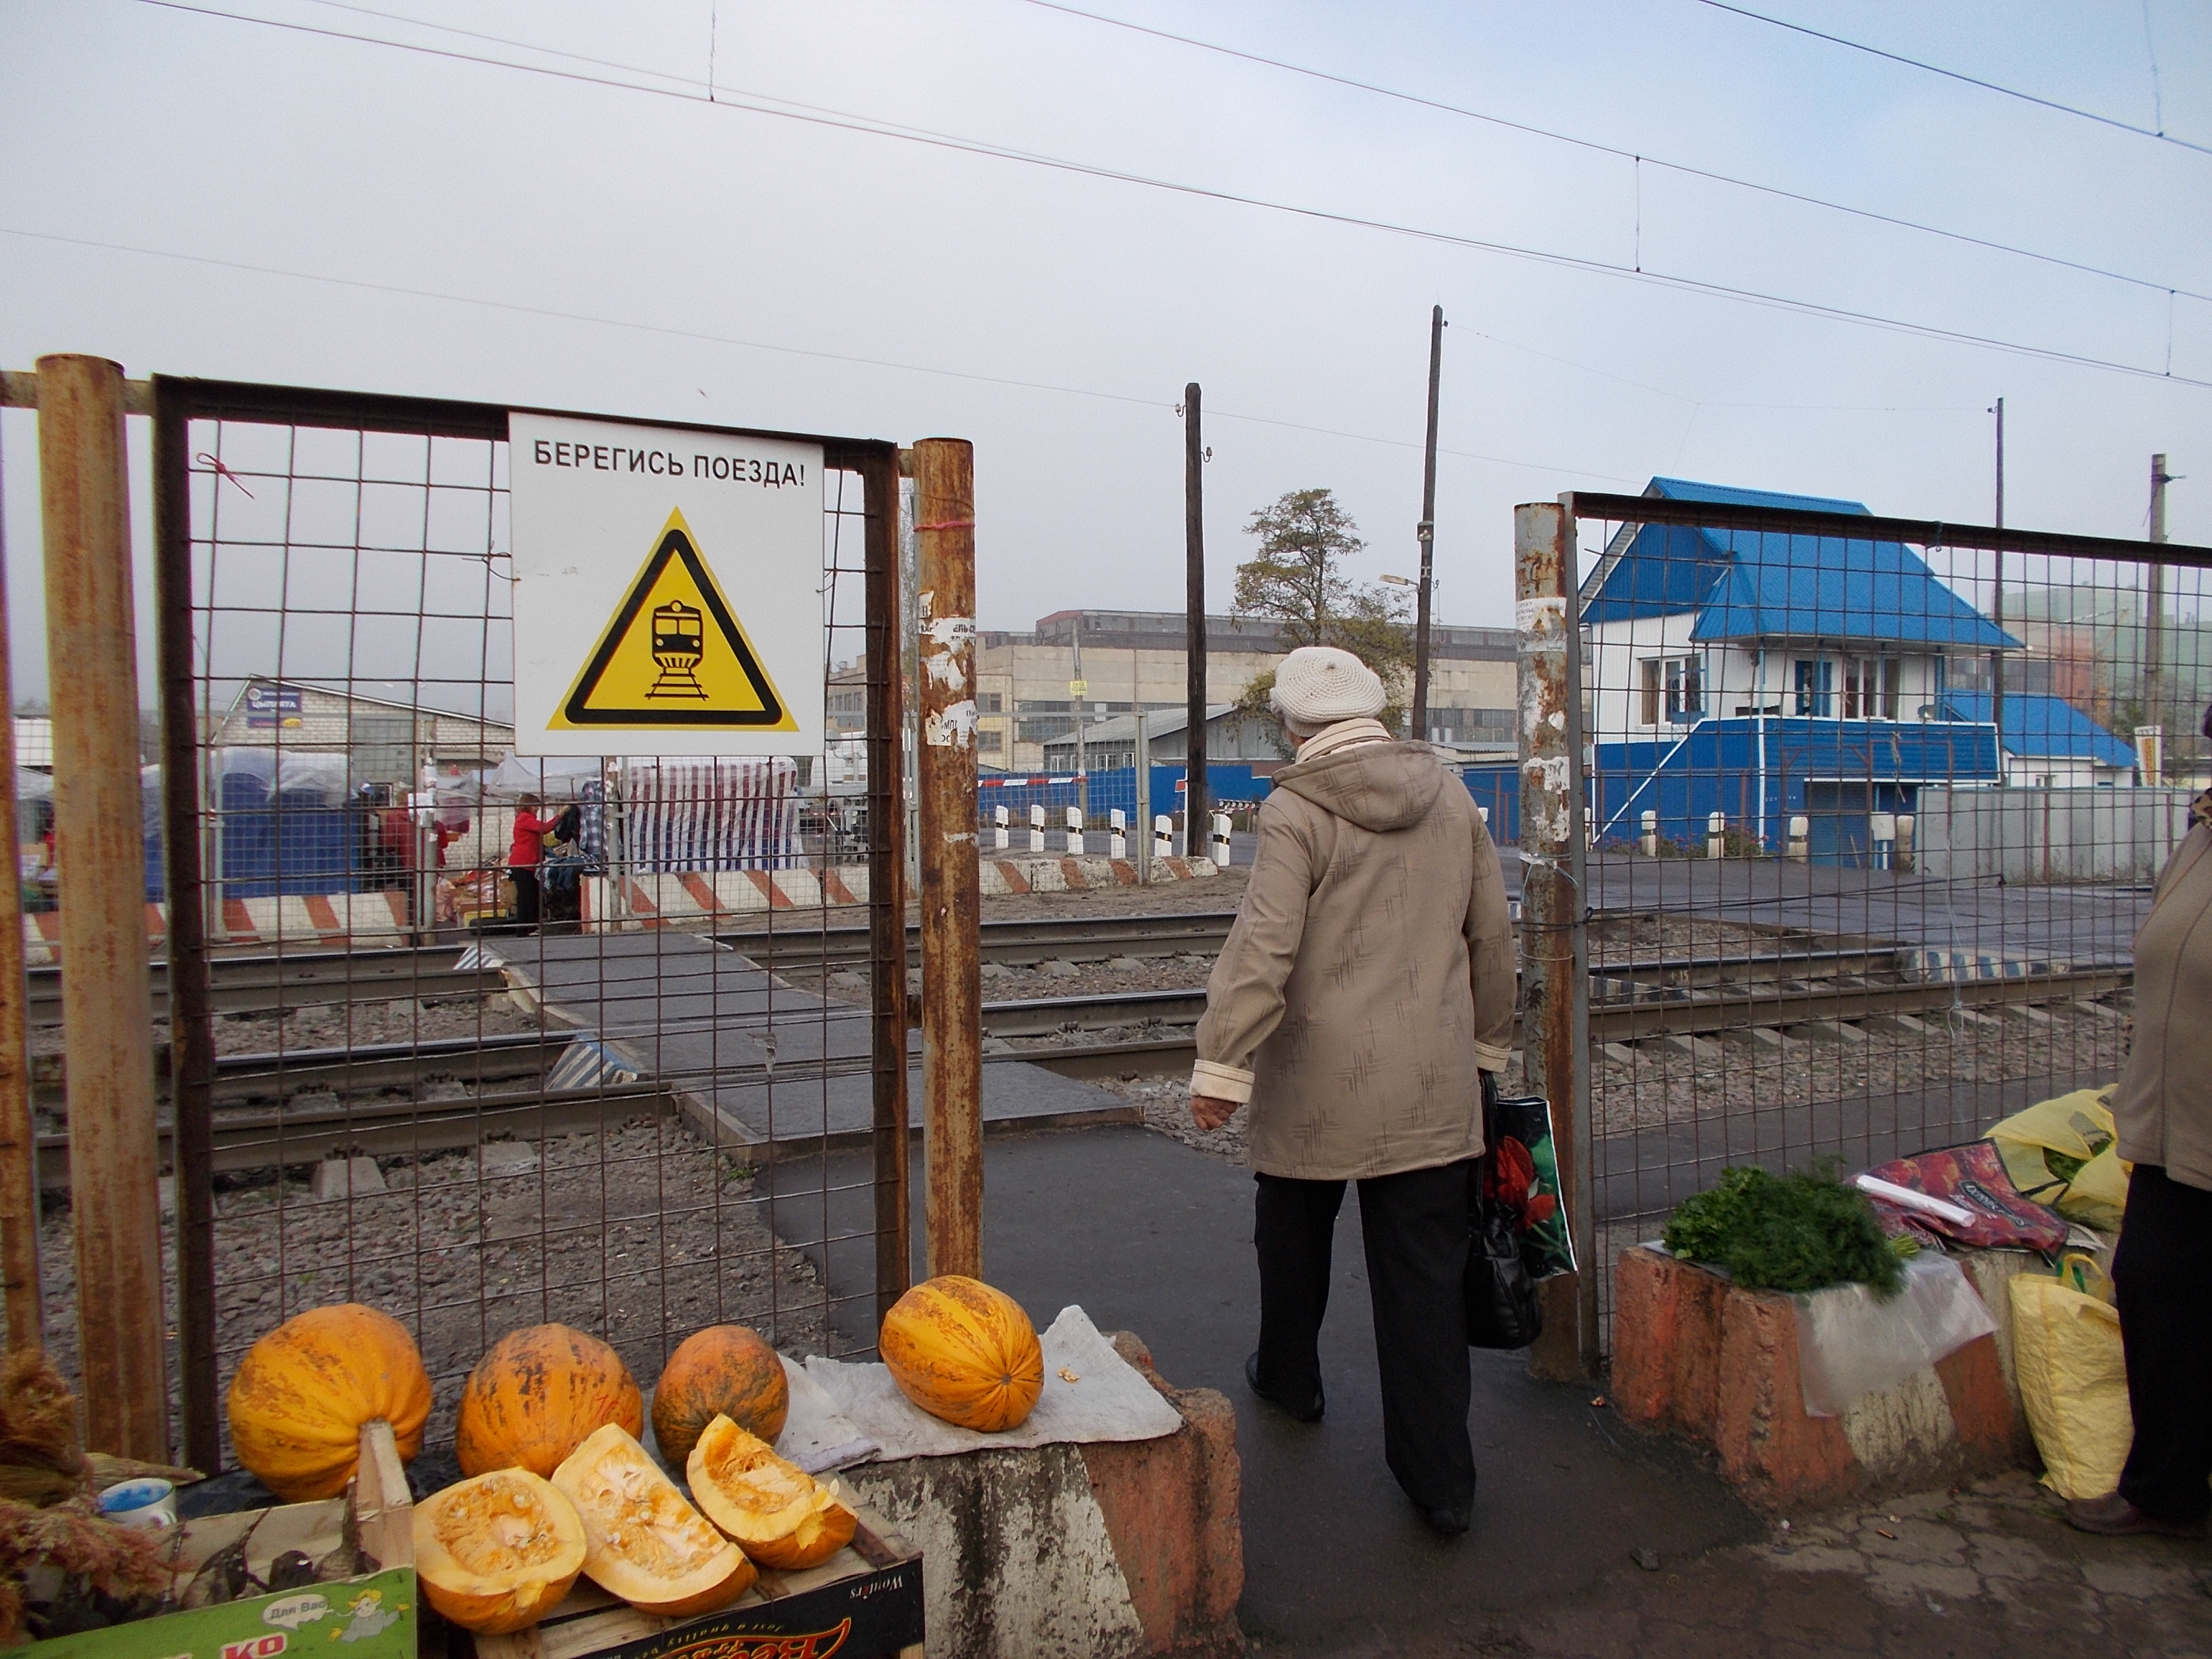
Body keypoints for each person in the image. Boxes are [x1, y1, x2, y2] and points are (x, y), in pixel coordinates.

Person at [1188, 644, 1515, 1536]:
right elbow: (1491, 933)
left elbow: (1264, 949)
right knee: (1424, 1282)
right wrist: (1488, 1046)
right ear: (1373, 713)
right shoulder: (1451, 795)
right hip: (1431, 1084)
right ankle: (1442, 1483)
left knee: (1291, 1229)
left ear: (1294, 728)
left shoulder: (1295, 807)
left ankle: (1291, 1380)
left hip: (1316, 1081)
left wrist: (1224, 1065)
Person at [2068, 699, 2212, 1540]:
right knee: (2156, 1289)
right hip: (2170, 1122)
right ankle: (2169, 1487)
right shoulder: (2197, 839)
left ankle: (2170, 1486)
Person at [508, 792, 556, 930]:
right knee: (526, 898)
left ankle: (530, 927)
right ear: (528, 805)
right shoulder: (525, 819)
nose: (538, 808)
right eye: (535, 805)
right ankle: (524, 929)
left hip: (528, 864)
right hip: (523, 864)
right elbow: (545, 828)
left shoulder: (526, 818)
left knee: (531, 896)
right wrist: (561, 815)